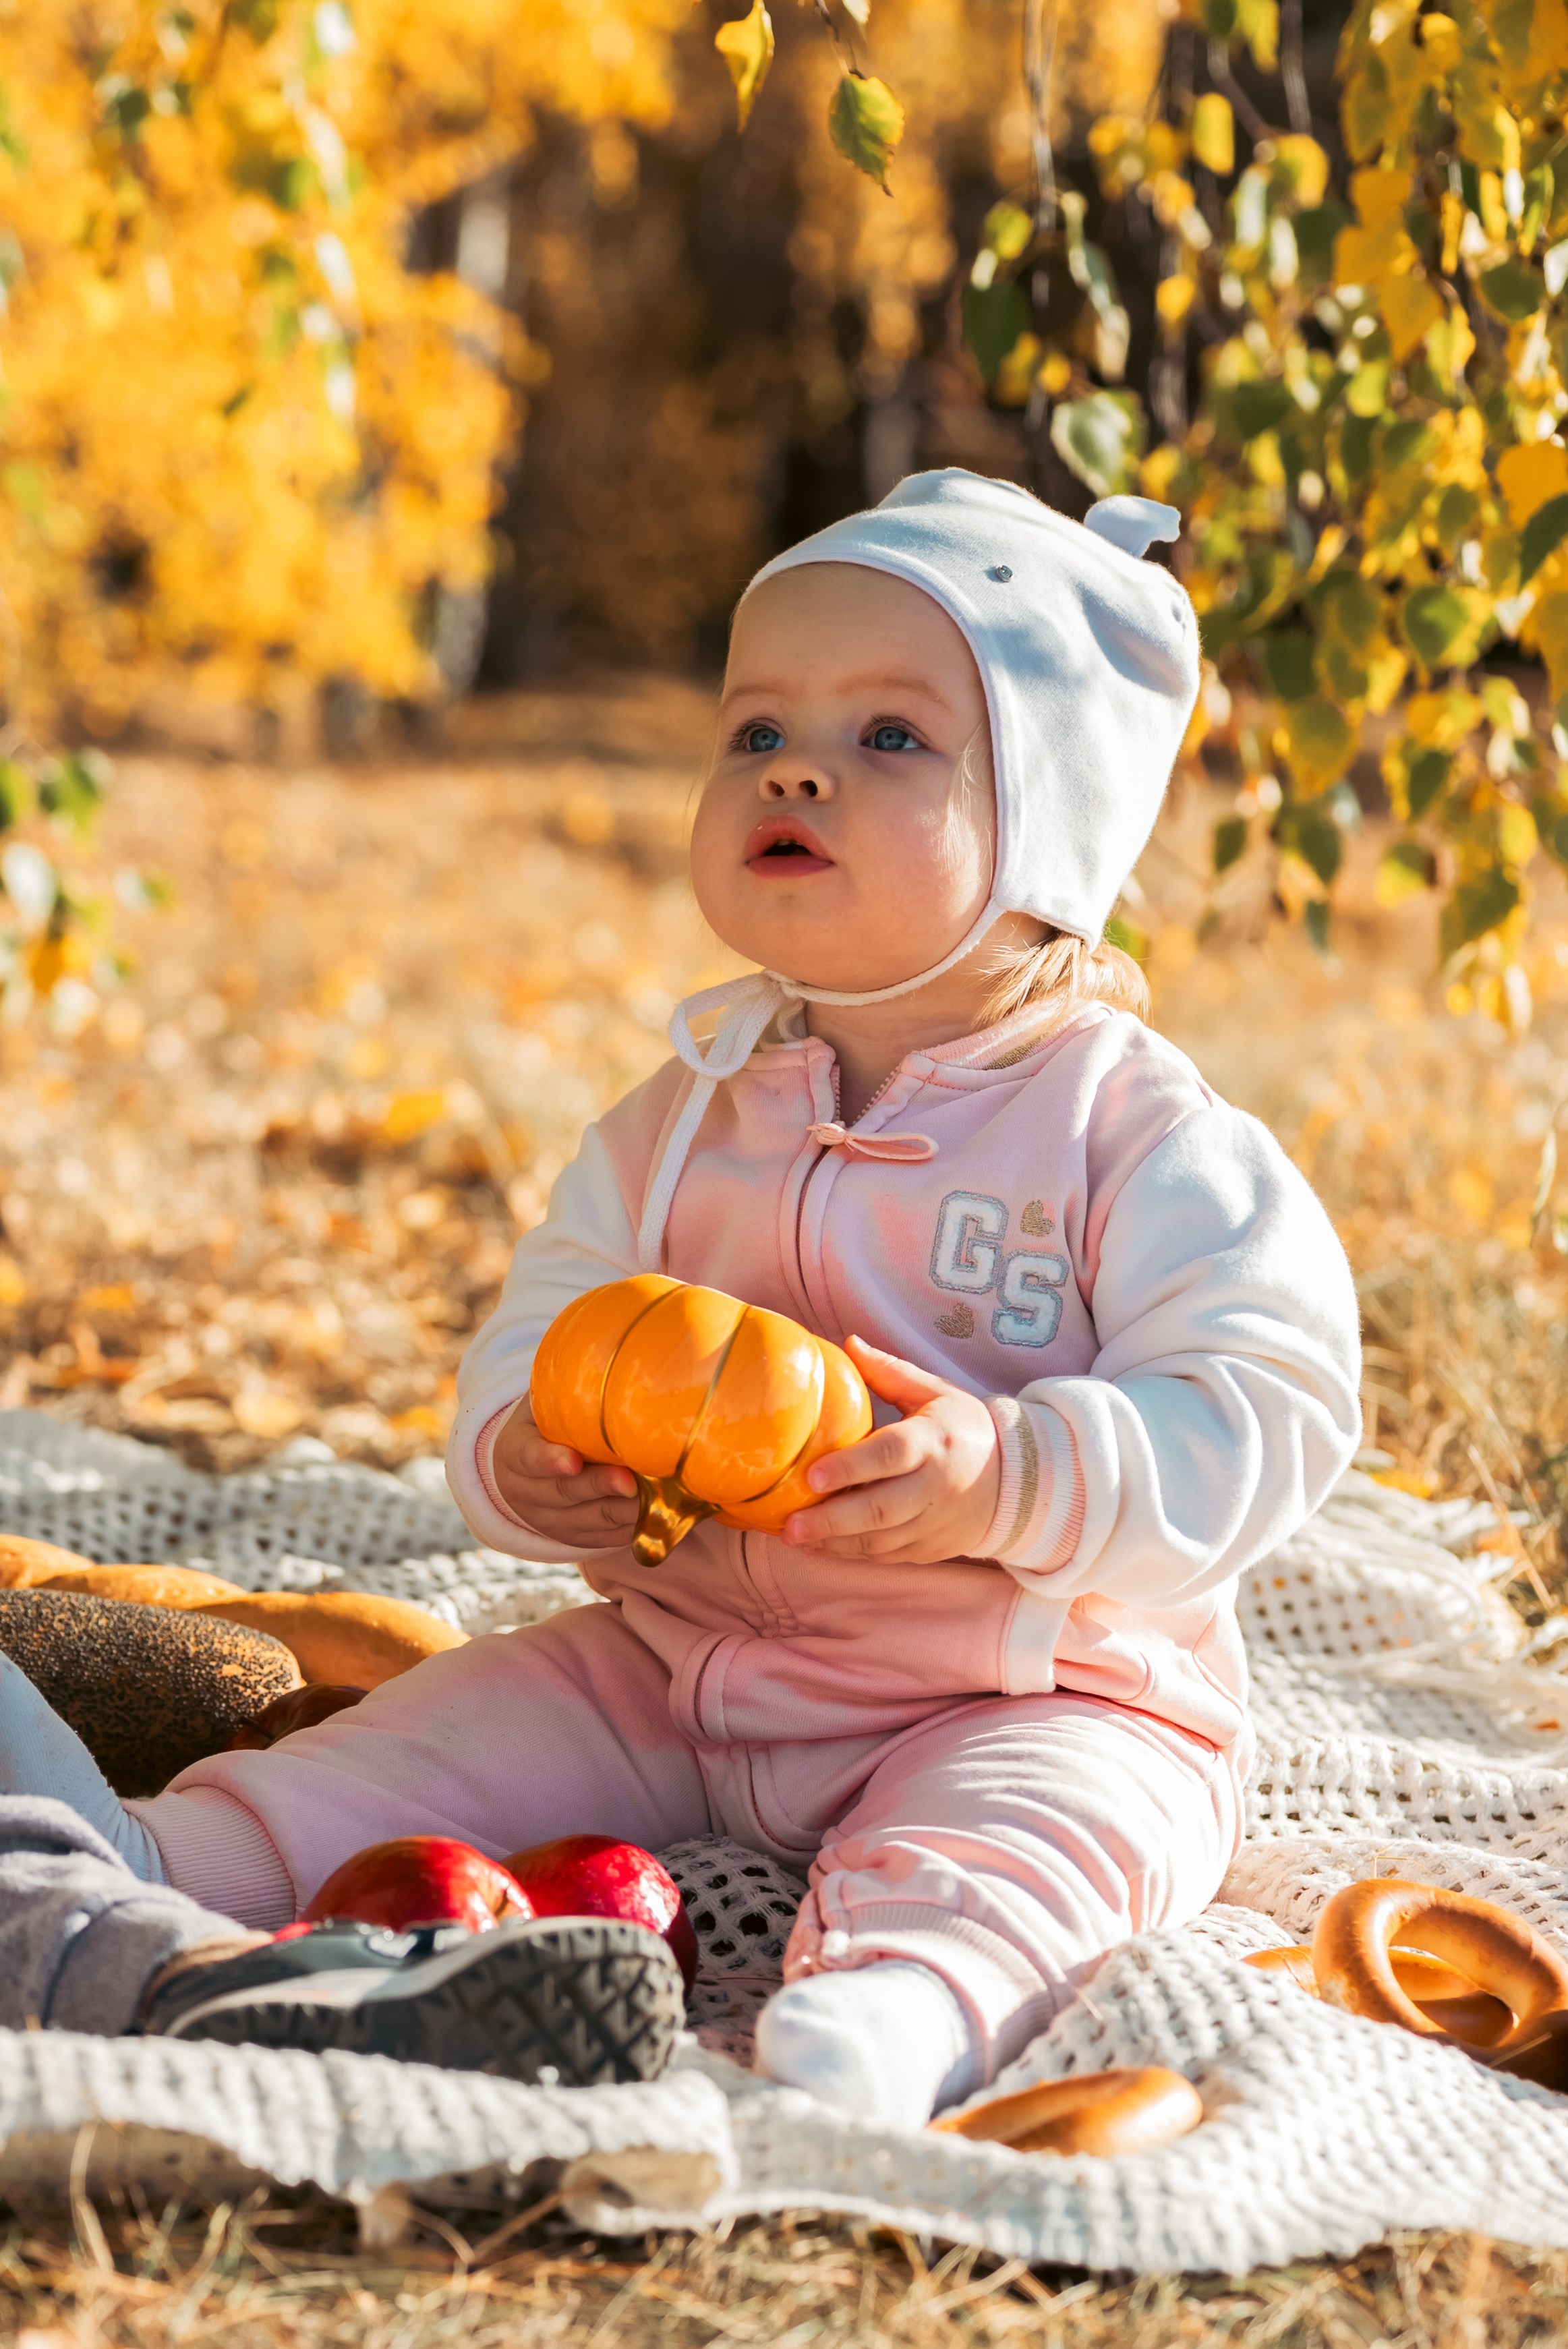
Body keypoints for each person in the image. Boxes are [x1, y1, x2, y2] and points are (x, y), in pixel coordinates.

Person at [0, 469, 1360, 2125]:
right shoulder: (686, 1109)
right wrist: (525, 1450)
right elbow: (545, 1321)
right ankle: (180, 1864)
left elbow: (1264, 1398)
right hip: (681, 1655)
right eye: (755, 729)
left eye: (888, 737)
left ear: (1050, 821)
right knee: (443, 1731)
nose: (795, 765)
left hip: (1013, 1676)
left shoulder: (1127, 1128)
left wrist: (1015, 1473)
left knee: (1045, 1824)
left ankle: (894, 2004)